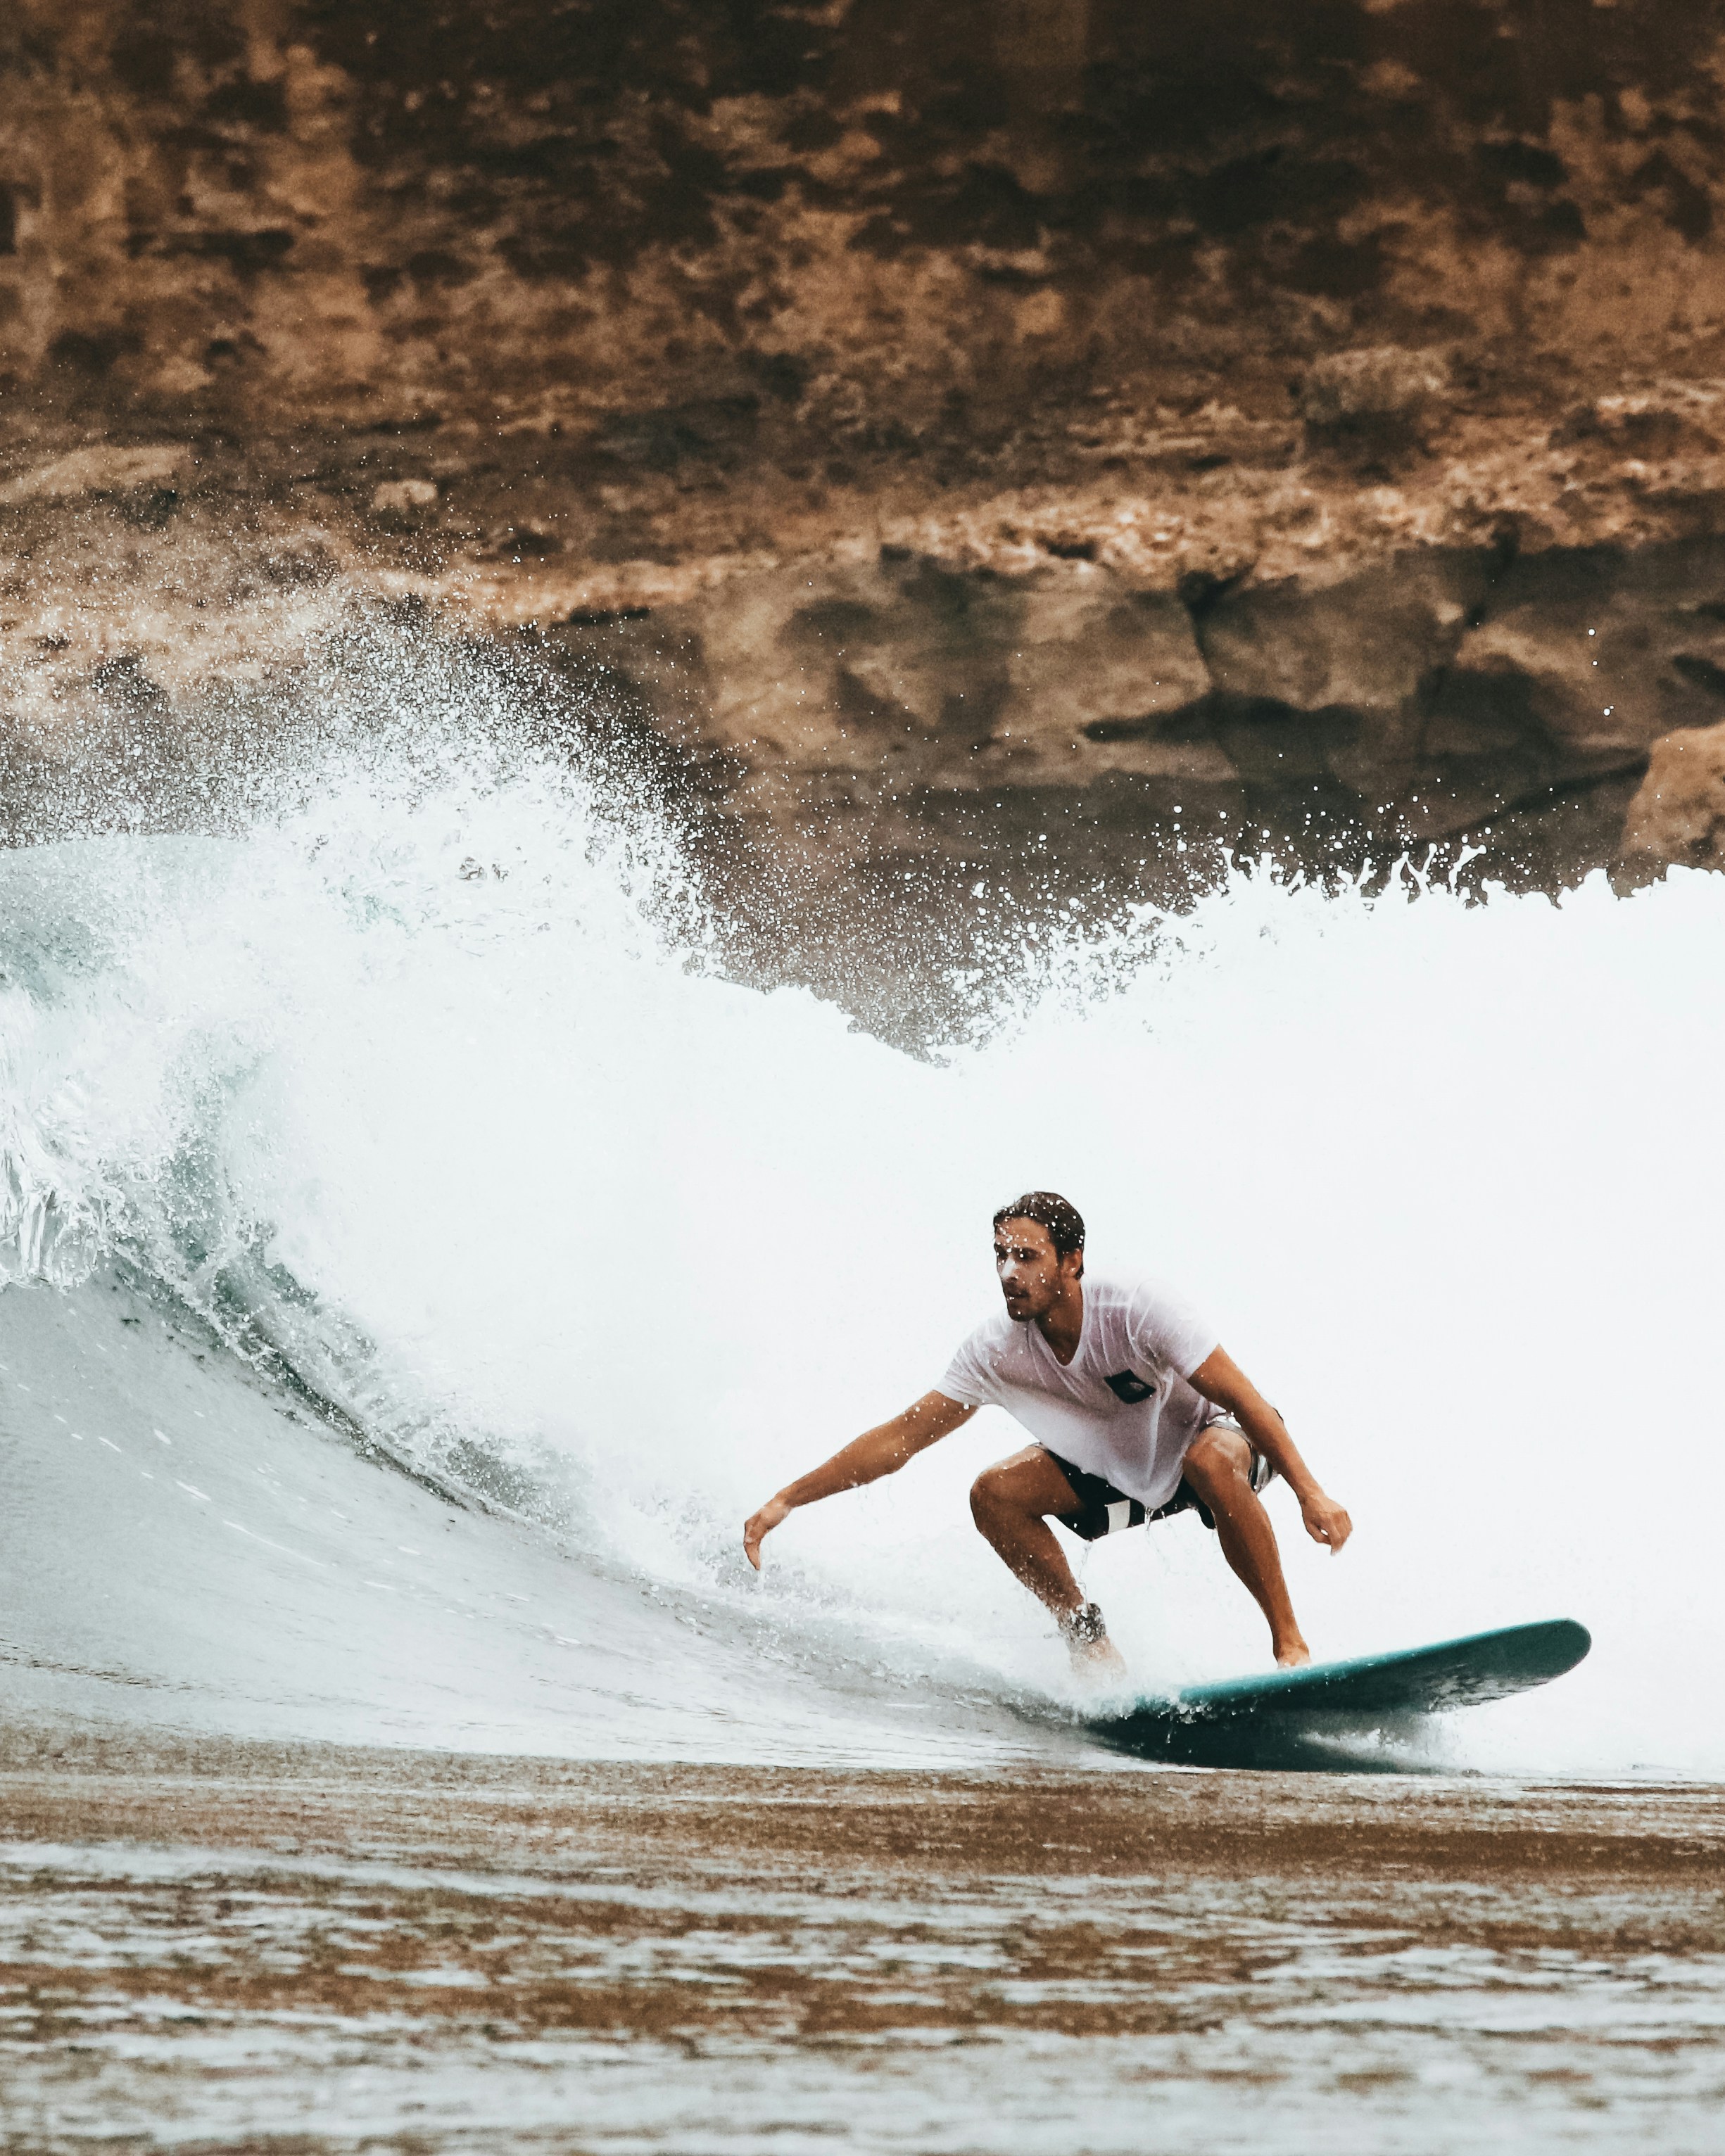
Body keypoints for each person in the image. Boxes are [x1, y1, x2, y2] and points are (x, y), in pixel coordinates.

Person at [743, 1191, 1352, 1678]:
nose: (1009, 1272)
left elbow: (1244, 1400)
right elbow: (900, 1439)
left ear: (1072, 1261)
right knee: (995, 1494)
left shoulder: (1136, 1307)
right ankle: (1087, 1640)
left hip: (1222, 1439)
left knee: (1210, 1461)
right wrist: (785, 1500)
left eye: (1027, 1257)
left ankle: (1289, 1648)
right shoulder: (995, 1350)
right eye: (1000, 1256)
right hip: (1129, 1476)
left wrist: (1309, 1492)